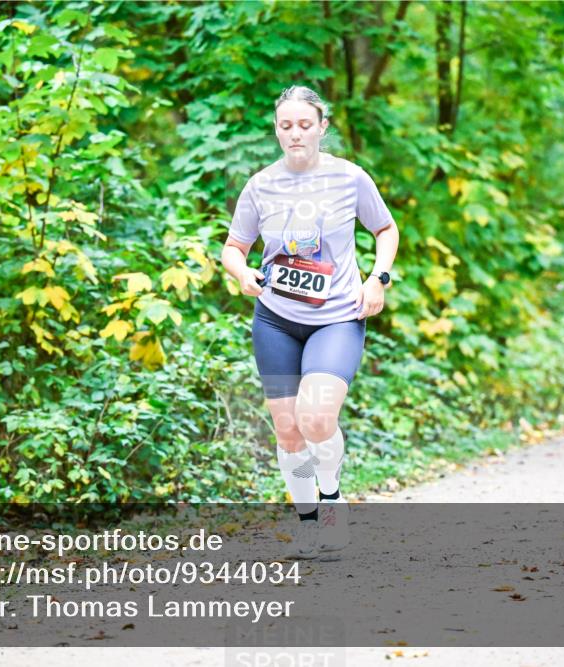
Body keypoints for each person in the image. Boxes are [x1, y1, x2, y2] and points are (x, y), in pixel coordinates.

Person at [220, 85, 400, 559]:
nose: (295, 133)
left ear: (323, 127)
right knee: (288, 430)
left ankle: (332, 499)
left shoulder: (350, 178)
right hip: (276, 320)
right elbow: (234, 247)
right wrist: (242, 273)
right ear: (277, 131)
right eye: (286, 126)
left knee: (317, 418)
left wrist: (378, 279)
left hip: (336, 317)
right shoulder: (261, 185)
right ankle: (306, 521)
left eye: (305, 124)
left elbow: (385, 228)